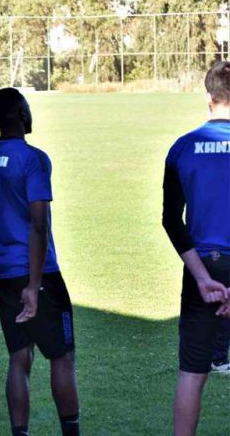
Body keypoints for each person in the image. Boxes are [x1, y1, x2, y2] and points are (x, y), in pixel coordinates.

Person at [0, 88, 81, 436]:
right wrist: (34, 287)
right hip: (38, 272)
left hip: (0, 271)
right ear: (22, 113)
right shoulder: (33, 158)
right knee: (62, 356)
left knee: (19, 357)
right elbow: (38, 224)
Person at [162, 61, 230, 436]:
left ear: (209, 98)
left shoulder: (182, 148)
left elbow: (171, 220)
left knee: (192, 373)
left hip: (202, 268)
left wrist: (203, 278)